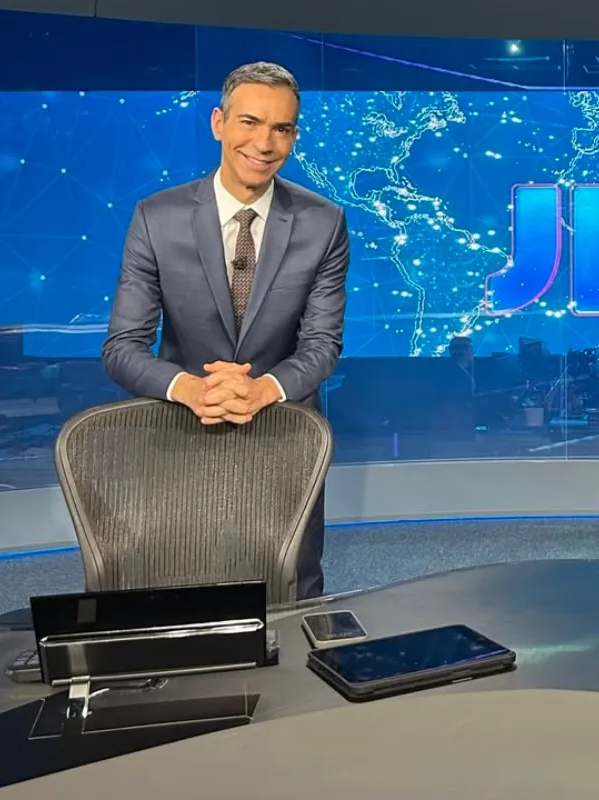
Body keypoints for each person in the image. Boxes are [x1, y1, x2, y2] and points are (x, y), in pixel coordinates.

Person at [101, 62, 349, 599]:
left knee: (291, 592)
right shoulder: (156, 217)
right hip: (183, 428)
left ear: (294, 136)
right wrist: (192, 388)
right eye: (250, 122)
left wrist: (263, 389)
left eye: (282, 129)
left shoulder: (323, 222)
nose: (264, 142)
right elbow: (122, 348)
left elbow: (322, 346)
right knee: (183, 585)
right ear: (219, 123)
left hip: (284, 432)